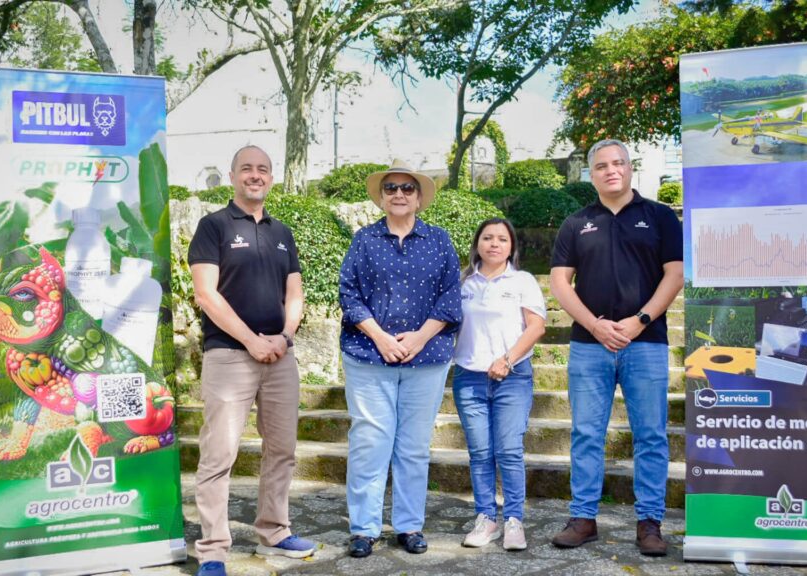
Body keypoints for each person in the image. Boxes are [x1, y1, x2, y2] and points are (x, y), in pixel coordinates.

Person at [549, 139, 683, 556]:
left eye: (619, 163)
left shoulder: (659, 216)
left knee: (650, 436)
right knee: (586, 433)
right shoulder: (575, 222)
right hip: (590, 346)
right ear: (592, 173)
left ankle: (649, 524)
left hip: (646, 344)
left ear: (630, 168)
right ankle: (584, 518)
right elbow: (558, 282)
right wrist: (595, 324)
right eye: (603, 165)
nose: (612, 170)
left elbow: (675, 274)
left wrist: (639, 320)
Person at [188, 145, 316, 576]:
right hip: (228, 355)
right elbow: (207, 294)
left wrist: (282, 337)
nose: (255, 175)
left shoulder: (284, 232)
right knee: (218, 455)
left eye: (263, 169)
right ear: (232, 175)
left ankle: (275, 531)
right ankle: (212, 550)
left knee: (282, 450)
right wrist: (251, 341)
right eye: (247, 168)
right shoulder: (213, 226)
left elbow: (294, 293)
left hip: (280, 357)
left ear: (272, 178)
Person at [338, 159, 462, 558]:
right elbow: (349, 293)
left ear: (419, 196)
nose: (399, 194)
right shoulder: (364, 240)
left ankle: (409, 525)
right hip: (369, 356)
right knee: (370, 442)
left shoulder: (440, 241)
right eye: (391, 188)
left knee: (412, 446)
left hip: (427, 359)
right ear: (381, 196)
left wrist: (421, 338)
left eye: (407, 188)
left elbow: (450, 298)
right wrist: (381, 337)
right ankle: (364, 528)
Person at [452, 218, 546, 551]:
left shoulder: (522, 280)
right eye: (488, 238)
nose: (494, 243)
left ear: (511, 246)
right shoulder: (463, 281)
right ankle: (486, 519)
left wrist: (506, 360)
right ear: (477, 243)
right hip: (469, 377)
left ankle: (514, 520)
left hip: (513, 376)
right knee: (480, 453)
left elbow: (535, 328)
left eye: (502, 239)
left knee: (508, 450)